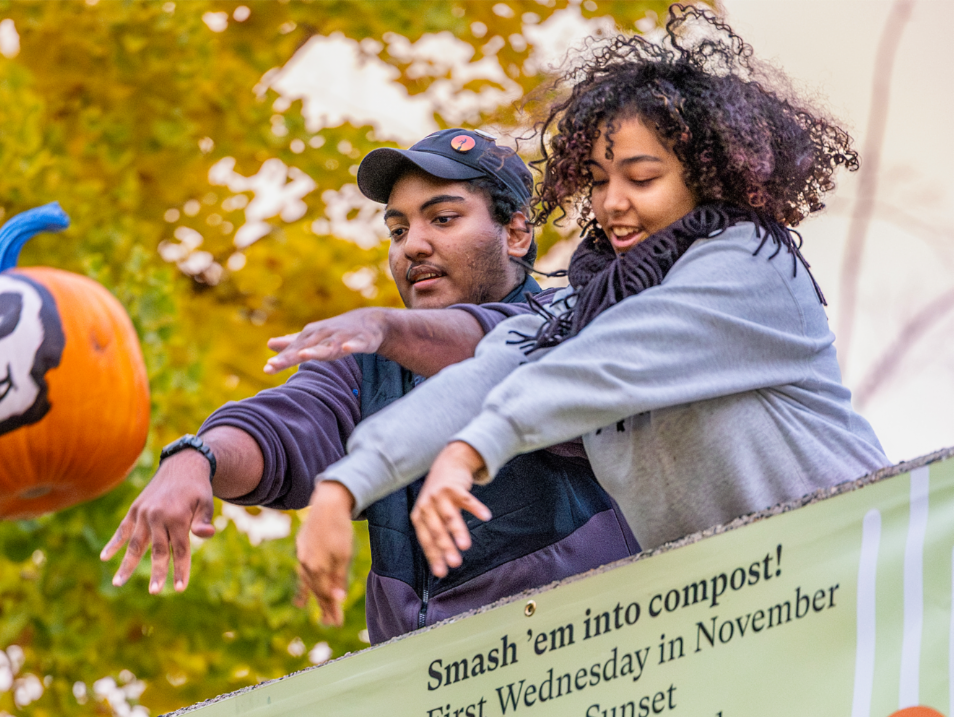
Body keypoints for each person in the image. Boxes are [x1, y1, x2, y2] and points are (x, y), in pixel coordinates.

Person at [295, 6, 891, 595]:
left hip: (864, 574)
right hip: (746, 610)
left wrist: (472, 447)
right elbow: (485, 376)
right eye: (600, 180)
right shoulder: (582, 308)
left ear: (705, 177)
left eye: (642, 178)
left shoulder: (752, 269)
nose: (612, 203)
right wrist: (346, 483)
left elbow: (610, 359)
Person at [102, 128, 639, 643]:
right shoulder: (370, 364)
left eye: (443, 218)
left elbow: (498, 354)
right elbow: (288, 424)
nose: (413, 247)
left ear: (517, 234)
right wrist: (196, 459)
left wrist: (384, 327)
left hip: (596, 652)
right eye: (398, 230)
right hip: (430, 683)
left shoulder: (579, 321)